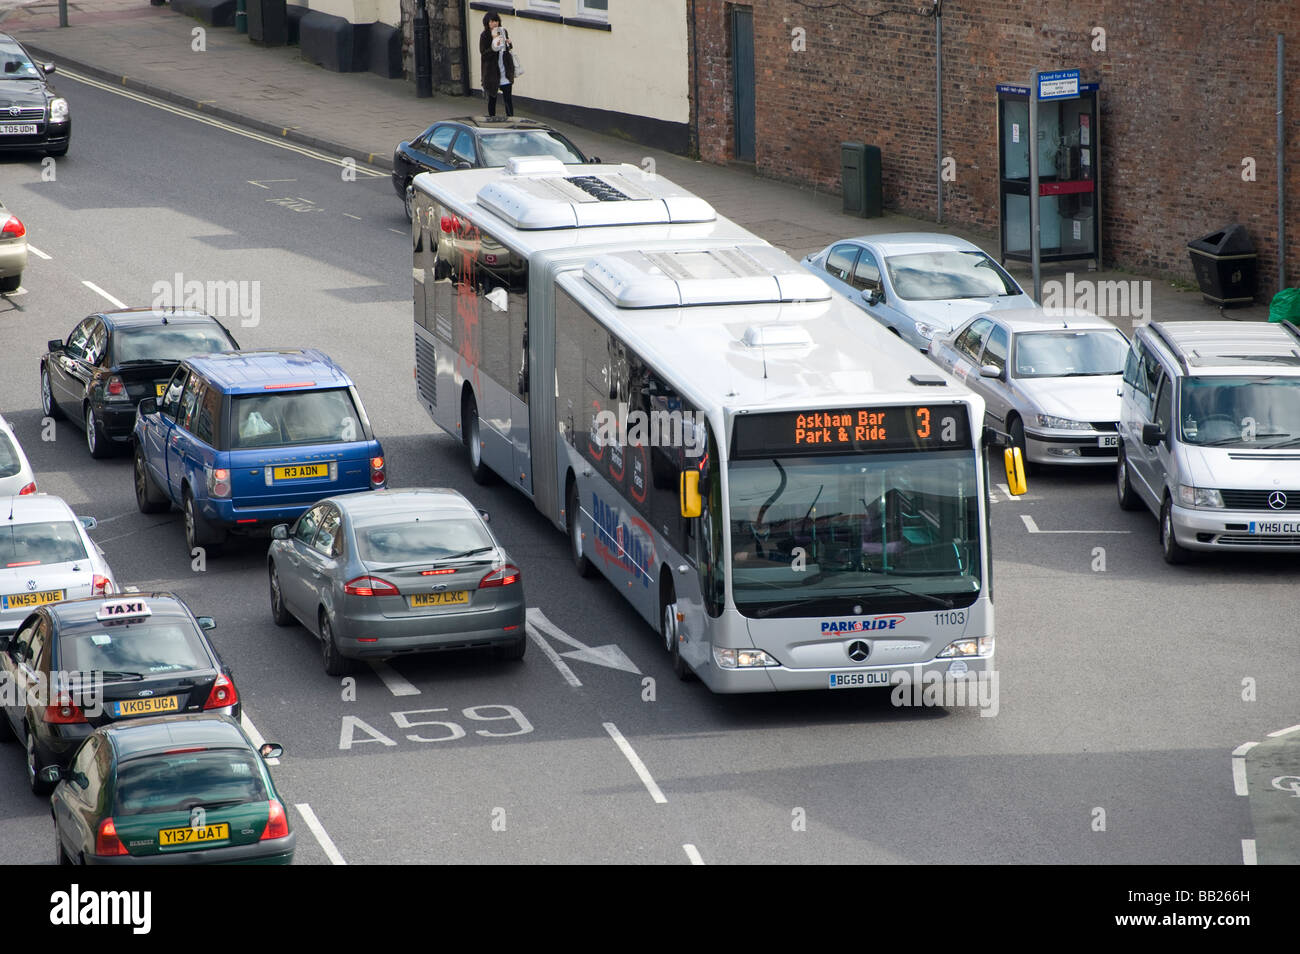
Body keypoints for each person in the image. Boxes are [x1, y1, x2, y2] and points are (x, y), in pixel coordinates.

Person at [479, 13, 516, 119]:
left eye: (496, 21)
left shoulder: (503, 31)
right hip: (492, 73)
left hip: (504, 70)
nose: (494, 24)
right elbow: (483, 53)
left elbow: (507, 49)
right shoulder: (485, 35)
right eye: (491, 21)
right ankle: (492, 119)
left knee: (508, 98)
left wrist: (509, 43)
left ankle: (511, 119)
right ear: (487, 23)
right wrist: (494, 47)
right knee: (492, 99)